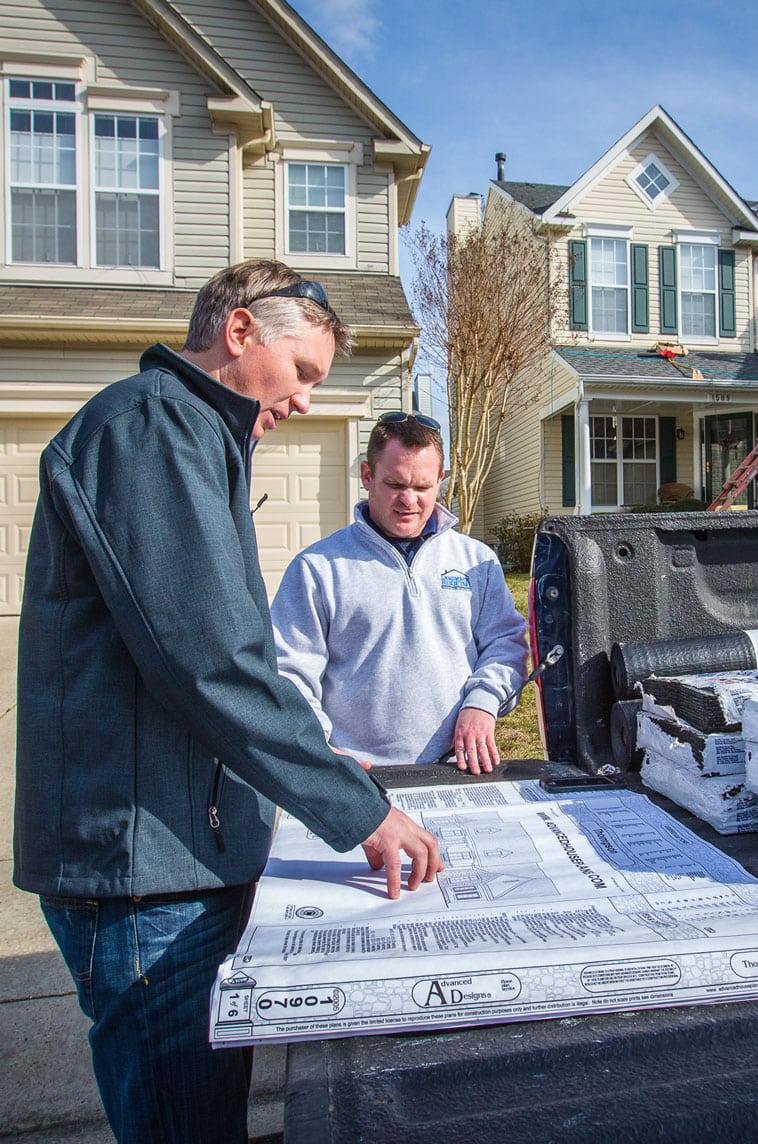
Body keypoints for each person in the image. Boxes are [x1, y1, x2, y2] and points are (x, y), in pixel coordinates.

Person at [13, 260, 442, 1144]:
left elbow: (224, 656)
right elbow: (209, 660)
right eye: (303, 375)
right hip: (143, 874)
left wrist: (316, 764)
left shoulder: (192, 436)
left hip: (178, 851)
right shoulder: (152, 432)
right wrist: (355, 806)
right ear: (241, 333)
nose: (304, 403)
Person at [271, 413, 529, 773]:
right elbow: (290, 672)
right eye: (395, 484)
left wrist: (483, 702)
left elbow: (506, 643)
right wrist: (320, 748)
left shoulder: (476, 562)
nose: (409, 500)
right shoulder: (318, 568)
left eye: (422, 487)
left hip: (456, 766)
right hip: (354, 772)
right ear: (366, 476)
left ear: (440, 481)